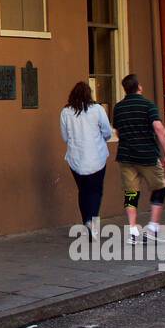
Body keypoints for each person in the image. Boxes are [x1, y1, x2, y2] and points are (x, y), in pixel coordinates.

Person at [111, 73, 165, 244]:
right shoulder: (148, 105)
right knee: (159, 188)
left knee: (131, 193)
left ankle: (132, 231)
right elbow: (158, 128)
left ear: (125, 89)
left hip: (126, 155)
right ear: (139, 87)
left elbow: (118, 131)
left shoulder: (118, 107)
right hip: (147, 155)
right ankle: (152, 227)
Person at [59, 81, 111, 235]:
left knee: (83, 191)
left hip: (76, 158)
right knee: (96, 191)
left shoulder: (65, 112)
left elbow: (64, 136)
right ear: (89, 94)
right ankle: (92, 223)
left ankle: (86, 220)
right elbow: (107, 131)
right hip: (97, 157)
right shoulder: (97, 110)